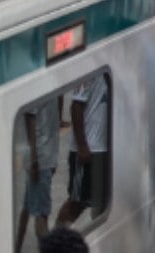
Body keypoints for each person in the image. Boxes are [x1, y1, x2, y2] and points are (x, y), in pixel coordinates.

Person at [55, 73, 109, 227]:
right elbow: (76, 107)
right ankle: (56, 240)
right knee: (77, 203)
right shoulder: (90, 75)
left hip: (103, 150)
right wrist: (82, 146)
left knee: (103, 200)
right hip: (88, 149)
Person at [16, 98, 60, 252]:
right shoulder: (41, 89)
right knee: (41, 216)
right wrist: (34, 160)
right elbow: (30, 119)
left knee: (28, 208)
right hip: (41, 158)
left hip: (45, 156)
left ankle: (16, 247)